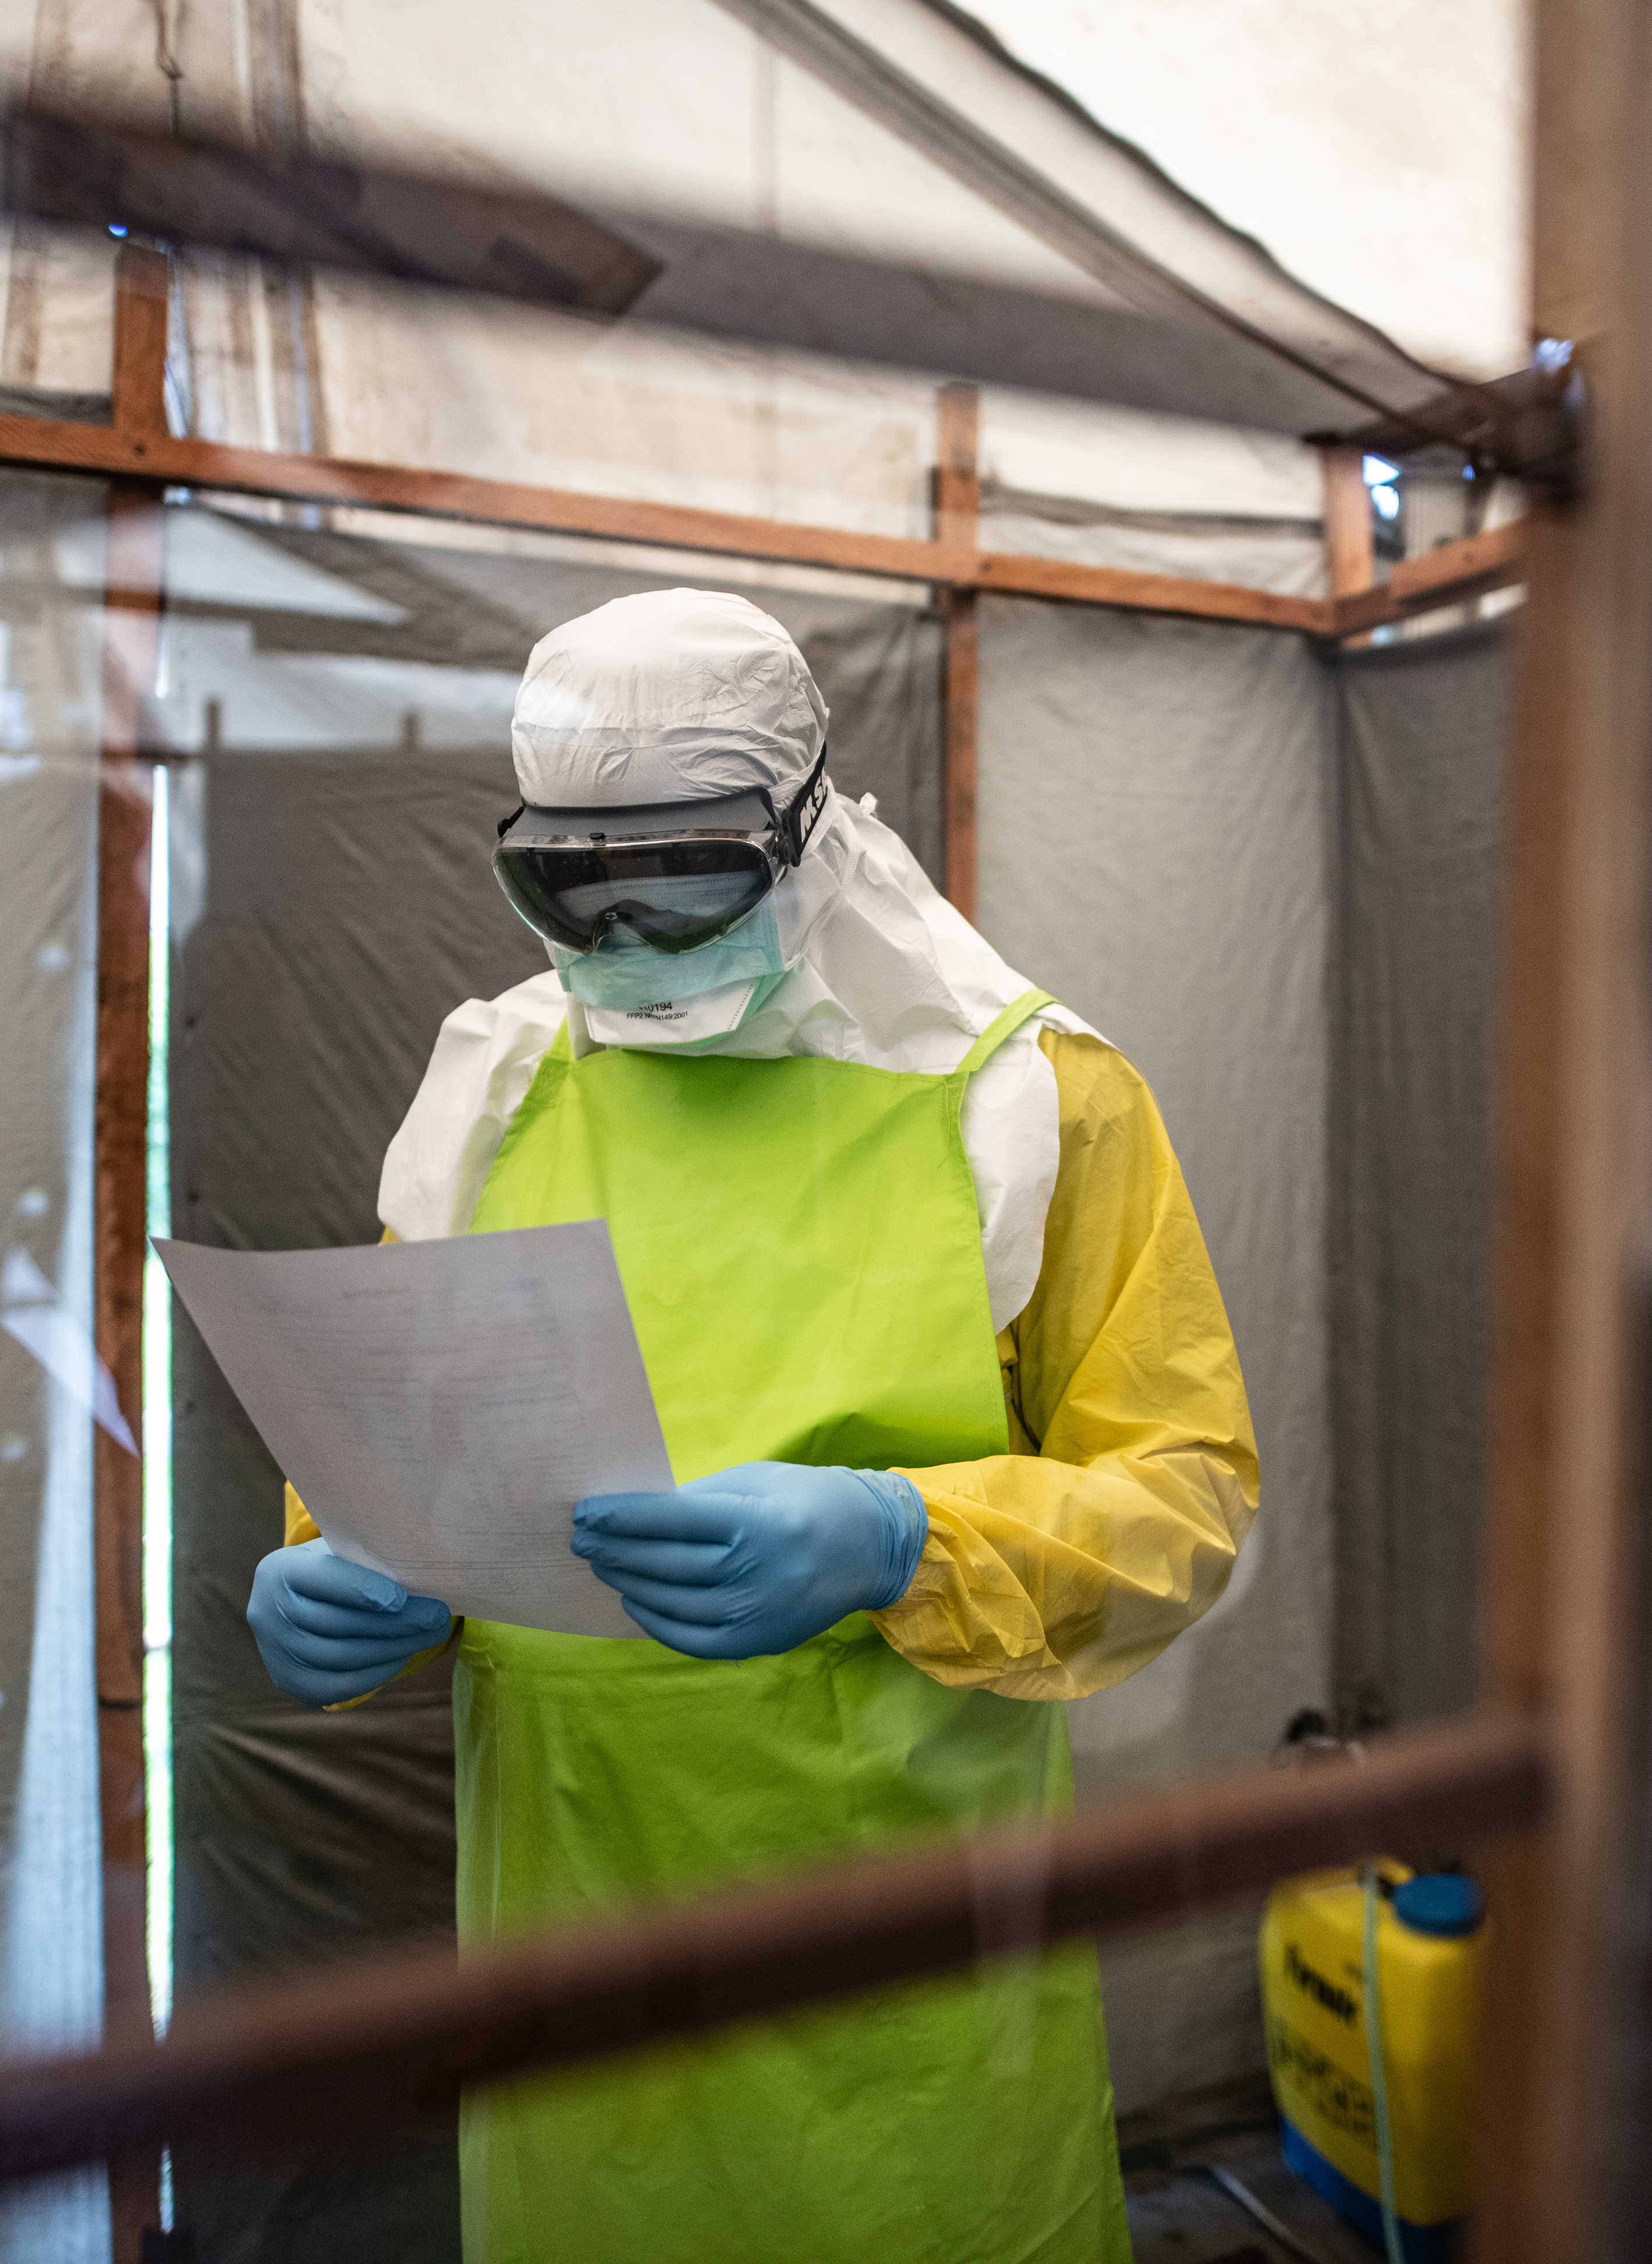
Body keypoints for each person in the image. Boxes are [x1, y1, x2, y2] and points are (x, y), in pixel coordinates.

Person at [243, 588, 1258, 2261]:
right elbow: (392, 1433)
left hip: (900, 1997)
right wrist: (336, 1568)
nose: (630, 935)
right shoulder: (492, 1091)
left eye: (688, 874)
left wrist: (903, 1542)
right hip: (567, 1960)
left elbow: (1187, 1500)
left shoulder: (1022, 1096)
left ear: (807, 829)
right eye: (574, 884)